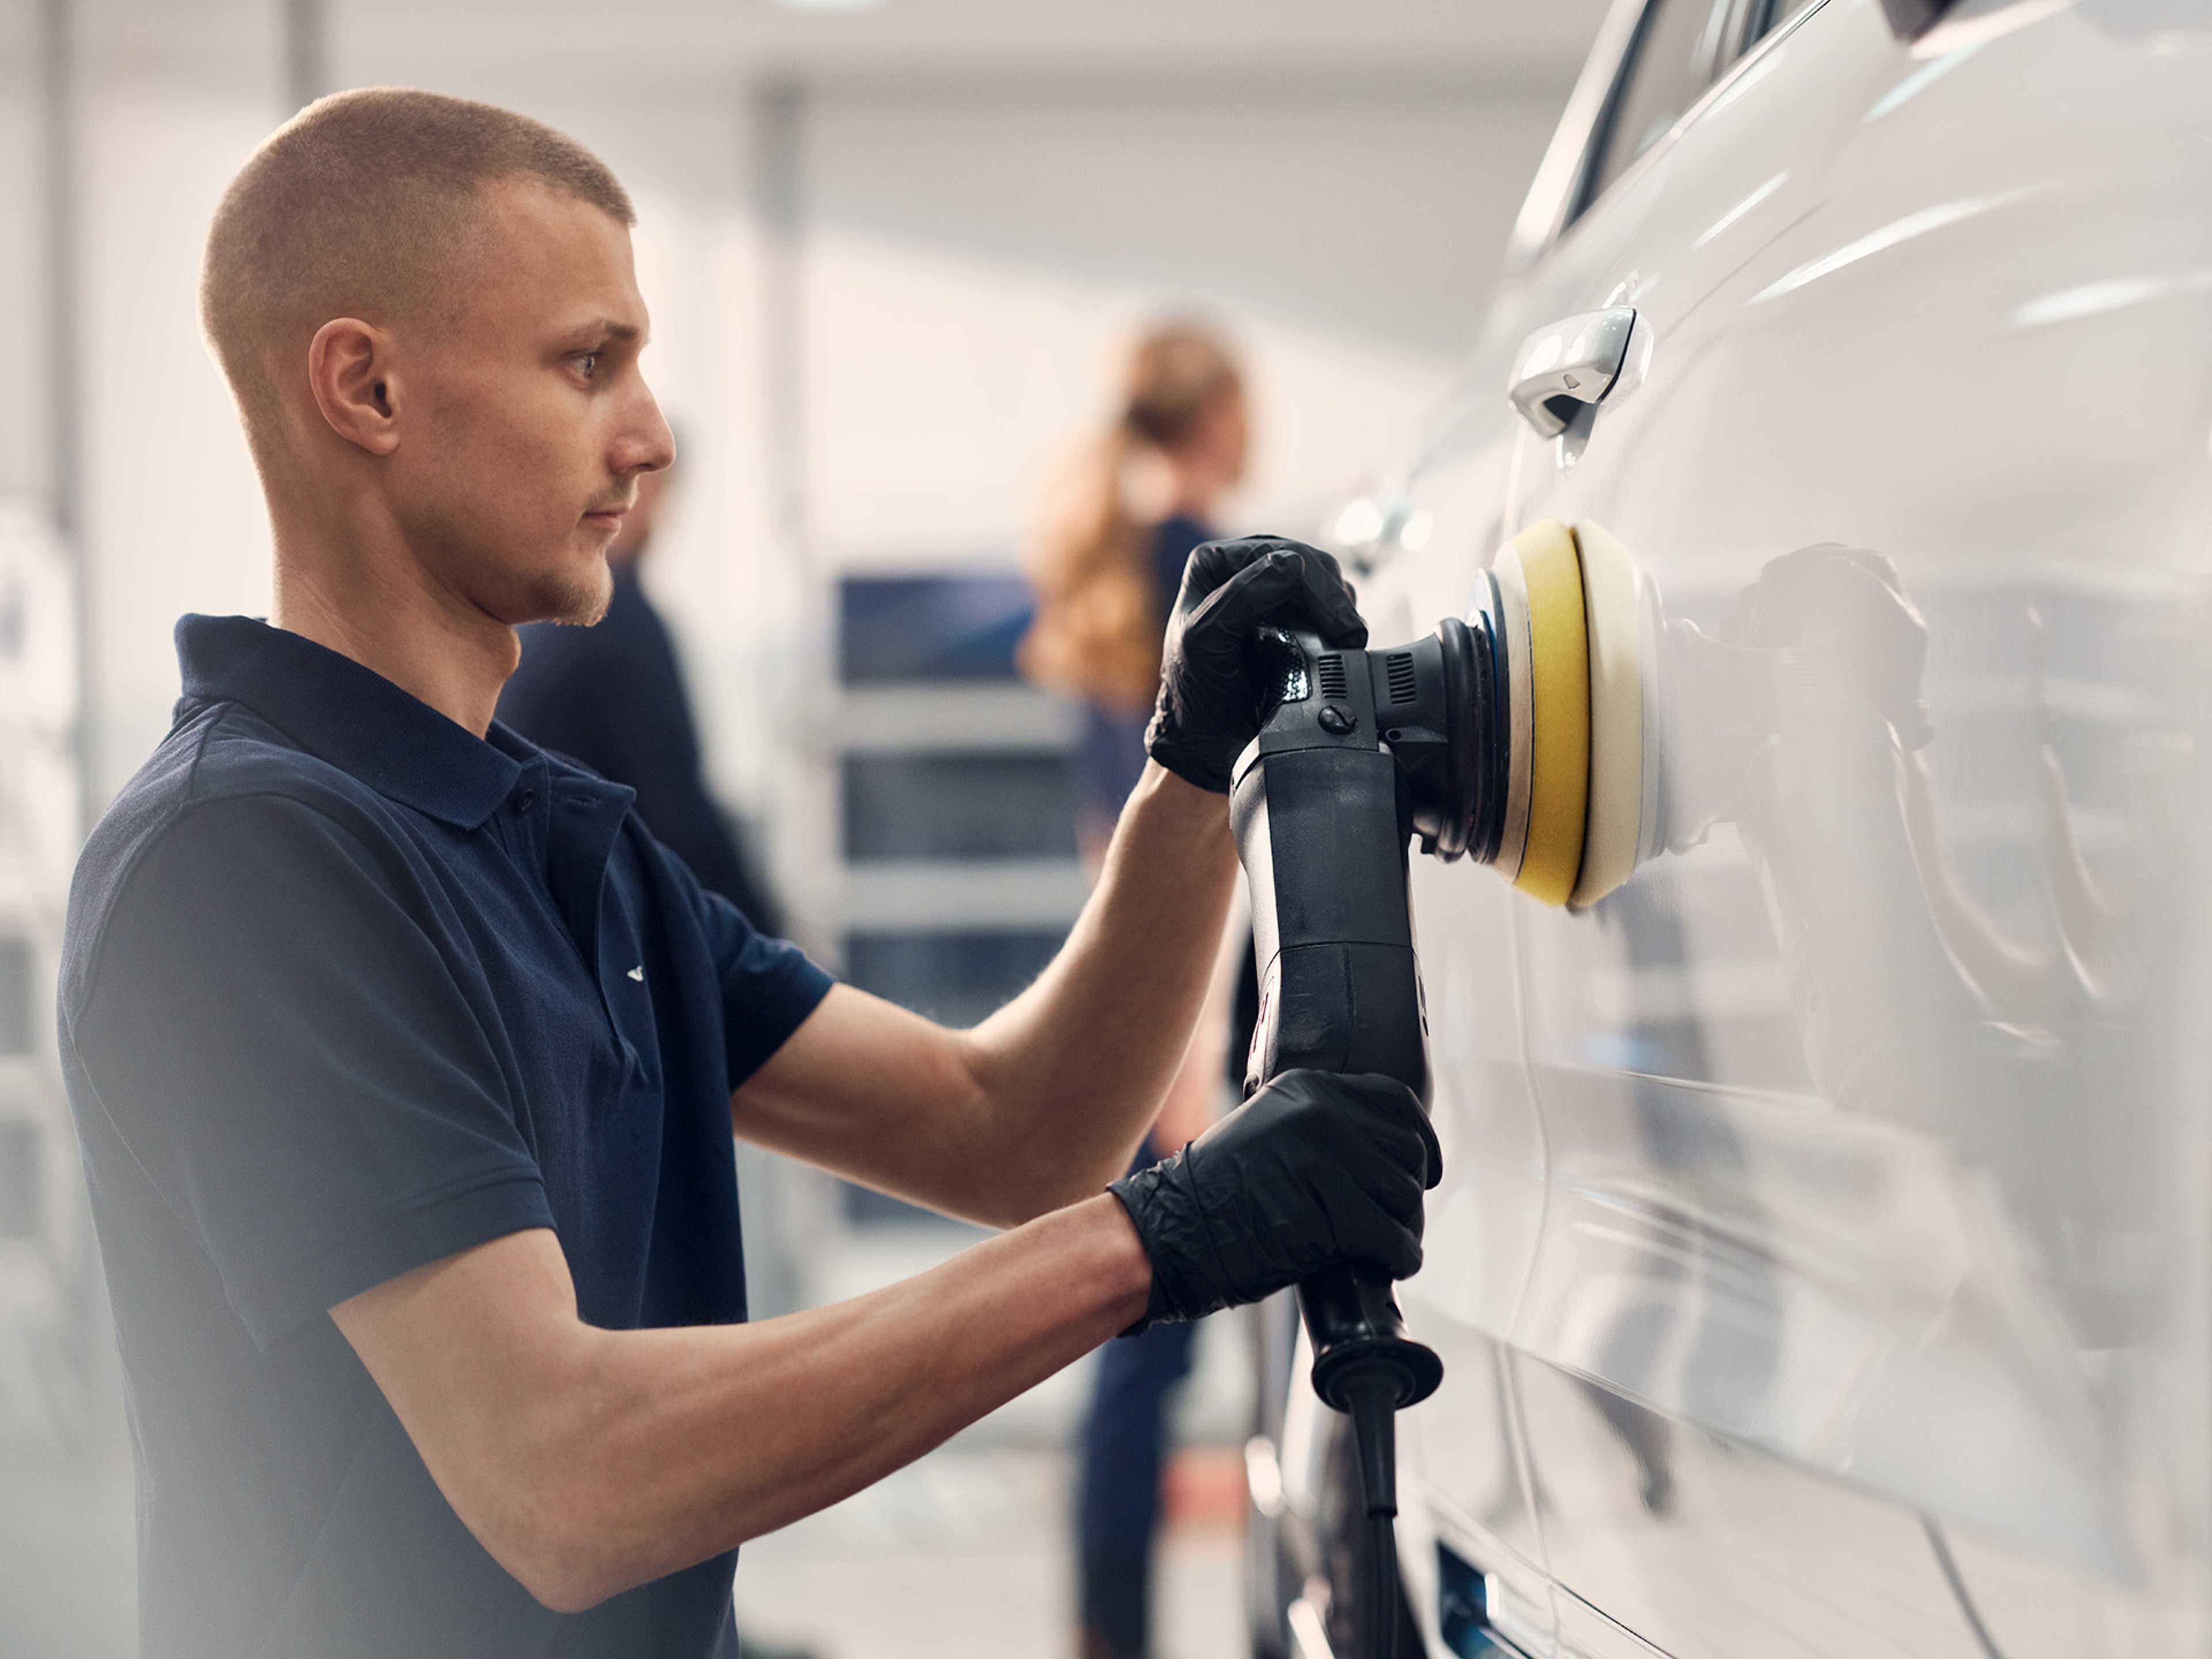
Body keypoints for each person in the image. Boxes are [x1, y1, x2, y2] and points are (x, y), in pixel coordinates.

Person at [55, 89, 1437, 1659]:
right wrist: (1157, 1241)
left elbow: (1019, 1129)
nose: (647, 437)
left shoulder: (570, 848)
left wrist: (1189, 774)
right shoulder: (246, 857)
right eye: (588, 364)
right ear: (366, 387)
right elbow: (563, 1473)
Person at [1022, 325, 1253, 1659]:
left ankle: (1104, 1628)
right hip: (1194, 1011)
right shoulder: (1203, 571)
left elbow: (1100, 839)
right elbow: (1206, 838)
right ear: (1211, 418)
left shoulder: (1115, 565)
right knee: (1160, 1331)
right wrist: (1188, 1049)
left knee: (1135, 1336)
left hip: (1141, 993)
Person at [496, 449, 781, 931]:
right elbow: (678, 814)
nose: (663, 522)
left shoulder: (537, 618)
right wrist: (769, 939)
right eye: (655, 491)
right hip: (604, 915)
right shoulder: (617, 619)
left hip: (543, 911)